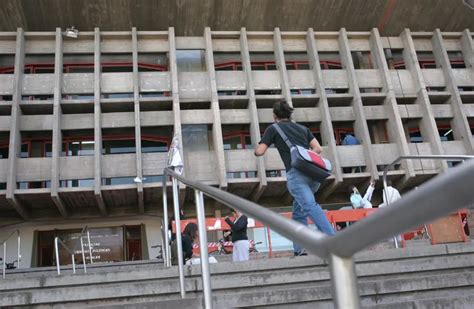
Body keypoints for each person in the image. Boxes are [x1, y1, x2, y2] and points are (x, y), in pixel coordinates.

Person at [254, 101, 335, 256]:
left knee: (310, 206)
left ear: (274, 116)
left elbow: (260, 151)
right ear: (289, 114)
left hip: (297, 176)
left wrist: (258, 148)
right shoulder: (303, 129)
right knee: (299, 213)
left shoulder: (273, 129)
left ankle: (332, 240)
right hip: (313, 176)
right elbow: (318, 148)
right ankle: (298, 249)